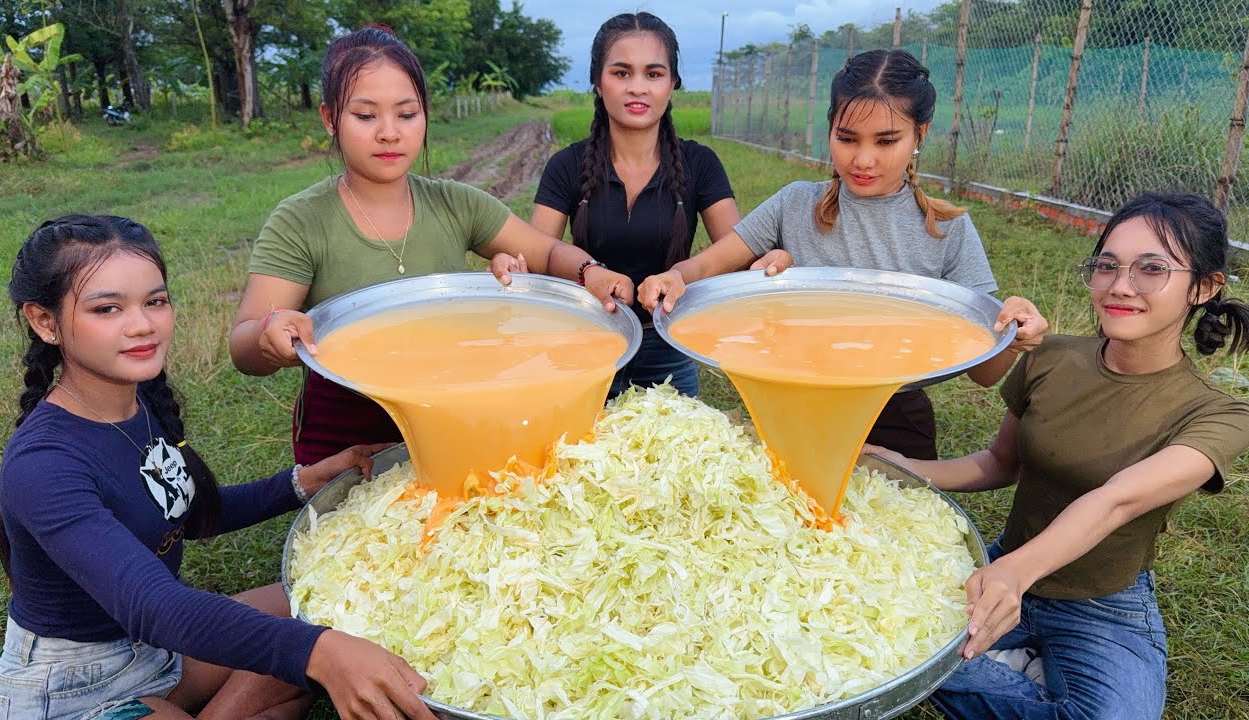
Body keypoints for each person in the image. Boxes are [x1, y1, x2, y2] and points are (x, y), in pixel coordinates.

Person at [0, 215, 437, 720]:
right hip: (75, 684)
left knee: (327, 610)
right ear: (45, 321)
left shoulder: (137, 405)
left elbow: (190, 511)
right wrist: (319, 651)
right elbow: (155, 605)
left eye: (155, 302)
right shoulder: (43, 463)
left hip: (155, 654)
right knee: (313, 649)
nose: (142, 325)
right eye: (107, 308)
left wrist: (303, 481)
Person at [865, 193, 1249, 720]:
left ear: (1204, 287)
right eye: (1107, 266)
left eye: (1152, 269)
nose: (1120, 286)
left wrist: (1014, 577)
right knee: (874, 650)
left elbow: (1116, 501)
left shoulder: (1220, 414)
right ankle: (1013, 665)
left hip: (1103, 602)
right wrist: (894, 462)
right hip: (1000, 568)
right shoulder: (1049, 358)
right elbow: (1001, 462)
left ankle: (1003, 666)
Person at [228, 25, 635, 464]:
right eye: (365, 116)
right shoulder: (302, 221)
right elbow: (244, 343)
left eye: (406, 114)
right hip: (349, 437)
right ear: (330, 119)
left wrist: (590, 271)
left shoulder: (454, 202)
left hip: (452, 417)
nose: (389, 133)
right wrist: (270, 336)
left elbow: (548, 251)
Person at [638, 49, 1047, 459]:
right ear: (831, 127)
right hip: (791, 405)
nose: (863, 159)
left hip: (895, 420)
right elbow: (709, 263)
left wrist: (1012, 337)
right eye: (847, 138)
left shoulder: (946, 229)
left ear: (920, 134)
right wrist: (677, 275)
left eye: (887, 141)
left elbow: (982, 373)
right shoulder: (794, 204)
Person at [522, 12, 744, 398]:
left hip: (669, 347)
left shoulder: (700, 164)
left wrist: (682, 275)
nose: (637, 88)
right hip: (586, 344)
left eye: (653, 74)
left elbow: (736, 251)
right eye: (621, 73)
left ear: (673, 83)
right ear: (597, 81)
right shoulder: (567, 166)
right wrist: (587, 273)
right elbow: (538, 255)